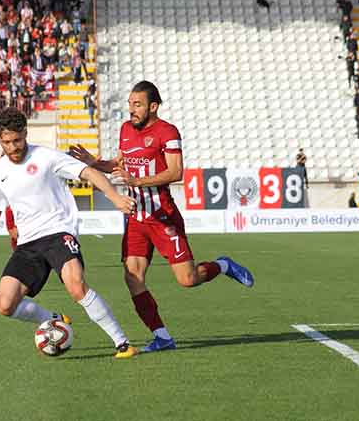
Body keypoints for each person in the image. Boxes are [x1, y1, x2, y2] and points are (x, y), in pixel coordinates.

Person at [69, 81, 254, 353]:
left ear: (153, 106)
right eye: (130, 104)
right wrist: (94, 163)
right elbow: (119, 165)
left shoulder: (167, 132)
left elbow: (176, 172)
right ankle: (162, 336)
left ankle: (223, 265)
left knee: (188, 279)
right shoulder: (126, 129)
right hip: (136, 217)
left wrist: (138, 181)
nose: (131, 109)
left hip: (163, 216)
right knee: (132, 277)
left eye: (138, 104)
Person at [0, 107, 138, 359]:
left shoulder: (46, 157)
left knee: (76, 285)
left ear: (25, 133)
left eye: (17, 140)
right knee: (5, 305)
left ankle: (122, 343)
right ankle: (53, 319)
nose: (13, 147)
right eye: (7, 142)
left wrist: (116, 198)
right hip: (28, 244)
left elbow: (88, 172)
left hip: (58, 232)